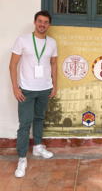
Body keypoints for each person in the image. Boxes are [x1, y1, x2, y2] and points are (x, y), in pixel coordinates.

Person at [9, 11, 58, 178]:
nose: (42, 24)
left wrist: (54, 85)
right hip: (26, 90)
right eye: (40, 21)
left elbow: (54, 64)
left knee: (39, 118)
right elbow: (13, 64)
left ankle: (38, 147)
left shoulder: (51, 43)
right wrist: (15, 87)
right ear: (35, 22)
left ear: (49, 25)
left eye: (45, 22)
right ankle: (22, 158)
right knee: (24, 124)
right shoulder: (23, 40)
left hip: (44, 88)